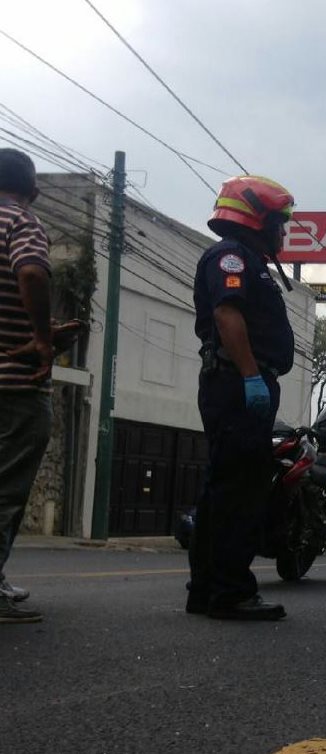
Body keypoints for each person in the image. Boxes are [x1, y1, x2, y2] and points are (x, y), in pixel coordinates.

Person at [188, 175, 296, 621]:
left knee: (222, 490)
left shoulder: (247, 260)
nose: (283, 232)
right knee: (239, 493)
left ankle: (209, 589)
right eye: (279, 222)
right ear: (259, 219)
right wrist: (252, 376)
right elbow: (227, 314)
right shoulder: (231, 257)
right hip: (237, 384)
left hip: (237, 383)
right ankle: (231, 591)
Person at [0, 149, 53, 625]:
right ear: (31, 187)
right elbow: (32, 272)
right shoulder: (22, 221)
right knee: (5, 488)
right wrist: (41, 337)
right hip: (13, 384)